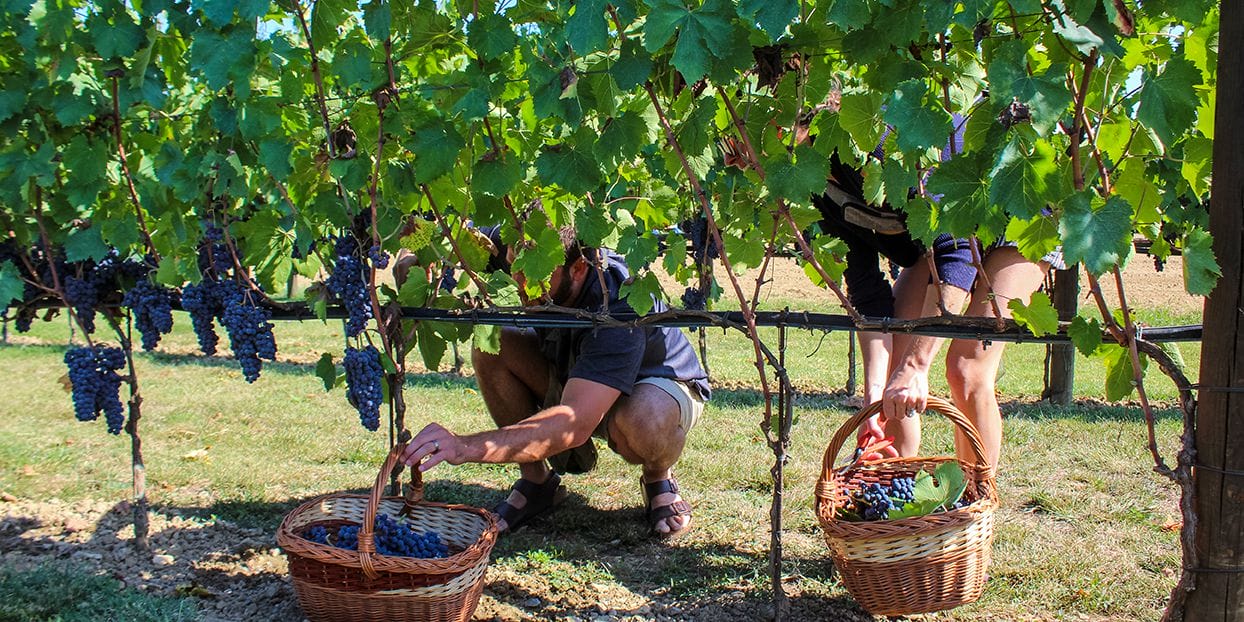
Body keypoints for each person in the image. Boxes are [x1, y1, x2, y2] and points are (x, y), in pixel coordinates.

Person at [396, 225, 711, 538]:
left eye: (534, 277)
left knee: (644, 418)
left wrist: (463, 446)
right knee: (493, 344)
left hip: (655, 382)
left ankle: (658, 478)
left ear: (577, 269)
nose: (519, 281)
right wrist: (417, 250)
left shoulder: (618, 300)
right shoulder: (527, 250)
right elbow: (456, 235)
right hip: (576, 371)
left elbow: (573, 424)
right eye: (513, 265)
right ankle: (536, 484)